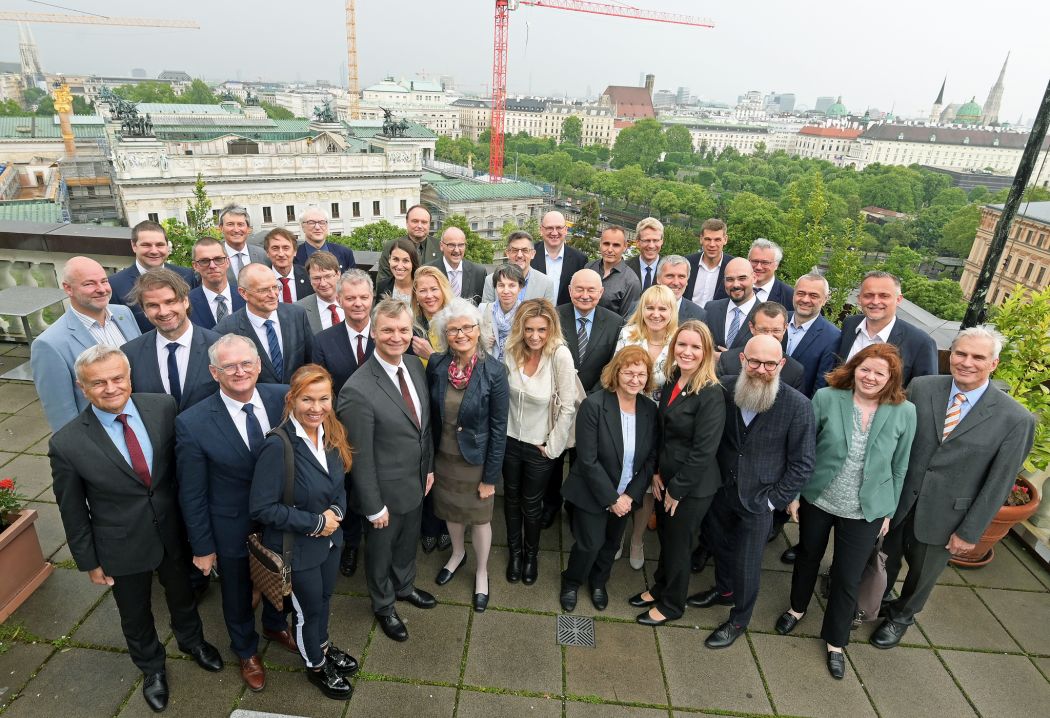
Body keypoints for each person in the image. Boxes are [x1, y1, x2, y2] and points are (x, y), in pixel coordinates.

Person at [51, 345, 222, 713]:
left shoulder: (162, 407)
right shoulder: (67, 443)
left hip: (173, 532)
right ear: (83, 388)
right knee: (135, 612)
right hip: (120, 544)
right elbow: (72, 510)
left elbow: (181, 470)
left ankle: (192, 642)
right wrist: (89, 561)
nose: (111, 388)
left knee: (183, 594)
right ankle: (152, 668)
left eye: (118, 378)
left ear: (130, 377)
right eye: (98, 383)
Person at [871, 328, 1036, 650]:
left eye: (978, 357)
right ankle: (874, 602)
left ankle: (901, 618)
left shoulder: (1015, 419)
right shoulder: (922, 387)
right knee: (883, 558)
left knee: (921, 576)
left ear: (994, 364)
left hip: (948, 516)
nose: (967, 362)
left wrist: (970, 532)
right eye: (961, 353)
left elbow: (998, 483)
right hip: (898, 501)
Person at [777, 344, 916, 680]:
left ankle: (836, 640)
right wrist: (794, 493)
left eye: (879, 373)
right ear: (854, 369)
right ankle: (797, 609)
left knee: (847, 574)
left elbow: (901, 467)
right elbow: (803, 449)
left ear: (891, 379)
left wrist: (888, 512)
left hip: (865, 509)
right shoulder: (826, 398)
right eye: (865, 369)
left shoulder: (904, 412)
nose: (870, 377)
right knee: (808, 556)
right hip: (819, 497)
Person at [176, 334, 296, 692]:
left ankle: (275, 625)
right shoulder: (192, 423)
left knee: (283, 577)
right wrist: (202, 546)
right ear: (215, 372)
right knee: (238, 591)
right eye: (229, 366)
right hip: (231, 524)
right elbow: (192, 492)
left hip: (280, 516)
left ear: (258, 365)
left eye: (246, 363)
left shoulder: (284, 398)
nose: (239, 371)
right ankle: (246, 650)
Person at [690, 335, 815, 649]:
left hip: (760, 501)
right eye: (755, 361)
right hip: (721, 491)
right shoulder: (723, 387)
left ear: (781, 365)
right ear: (743, 360)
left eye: (770, 364)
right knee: (718, 546)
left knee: (747, 564)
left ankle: (739, 620)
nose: (761, 369)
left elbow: (802, 463)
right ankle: (723, 590)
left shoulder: (798, 405)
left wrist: (773, 501)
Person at [250, 365, 358, 700]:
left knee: (324, 599)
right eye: (307, 399)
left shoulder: (331, 432)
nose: (316, 407)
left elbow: (339, 485)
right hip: (296, 549)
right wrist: (315, 523)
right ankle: (315, 664)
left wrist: (336, 514)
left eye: (323, 398)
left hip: (329, 541)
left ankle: (321, 644)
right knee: (308, 609)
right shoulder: (278, 445)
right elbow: (262, 508)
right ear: (291, 399)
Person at [338, 299, 438, 643]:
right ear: (373, 332)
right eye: (388, 330)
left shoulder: (414, 365)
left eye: (404, 330)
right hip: (382, 494)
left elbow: (423, 427)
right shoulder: (357, 389)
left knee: (407, 543)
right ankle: (383, 605)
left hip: (415, 482)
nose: (397, 337)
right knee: (380, 552)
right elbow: (358, 456)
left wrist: (428, 469)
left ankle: (405, 586)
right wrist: (373, 505)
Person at [630, 320, 725, 626]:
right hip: (666, 476)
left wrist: (676, 489)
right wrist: (657, 473)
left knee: (679, 545)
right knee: (668, 540)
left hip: (692, 486)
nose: (687, 351)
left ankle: (672, 604)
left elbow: (703, 451)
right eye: (681, 345)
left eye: (695, 347)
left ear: (706, 352)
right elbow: (664, 430)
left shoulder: (711, 393)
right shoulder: (673, 378)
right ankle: (659, 587)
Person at [426, 299, 510, 612]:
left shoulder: (495, 371)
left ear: (478, 330)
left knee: (480, 518)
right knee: (451, 511)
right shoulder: (436, 365)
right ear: (445, 334)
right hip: (444, 457)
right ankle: (457, 554)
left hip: (476, 460)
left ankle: (482, 572)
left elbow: (499, 429)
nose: (460, 334)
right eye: (453, 330)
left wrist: (491, 477)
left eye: (467, 327)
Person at [561, 345, 659, 613]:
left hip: (627, 494)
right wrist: (612, 499)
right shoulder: (594, 405)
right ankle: (571, 581)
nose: (635, 379)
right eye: (629, 373)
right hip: (594, 491)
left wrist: (629, 497)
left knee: (611, 544)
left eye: (641, 374)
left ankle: (598, 582)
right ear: (616, 373)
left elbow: (651, 458)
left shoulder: (650, 410)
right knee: (589, 543)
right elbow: (587, 460)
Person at [502, 298, 577, 585]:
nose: (535, 336)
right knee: (510, 499)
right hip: (510, 440)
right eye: (529, 329)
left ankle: (531, 556)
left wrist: (553, 449)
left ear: (551, 329)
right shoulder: (512, 350)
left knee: (532, 504)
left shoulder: (560, 355)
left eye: (542, 330)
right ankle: (515, 553)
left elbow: (568, 406)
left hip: (539, 446)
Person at [311, 269, 376, 578]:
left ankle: (378, 538)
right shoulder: (324, 340)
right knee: (346, 488)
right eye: (350, 298)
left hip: (383, 432)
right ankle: (350, 542)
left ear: (373, 298)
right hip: (341, 433)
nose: (358, 304)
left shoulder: (387, 333)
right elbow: (320, 390)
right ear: (338, 300)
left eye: (364, 297)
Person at [547, 268, 622, 527]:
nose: (585, 295)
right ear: (570, 290)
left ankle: (576, 507)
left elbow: (613, 366)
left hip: (594, 404)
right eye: (579, 289)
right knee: (554, 459)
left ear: (601, 293)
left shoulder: (615, 322)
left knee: (584, 460)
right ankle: (551, 504)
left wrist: (592, 399)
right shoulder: (554, 316)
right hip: (558, 402)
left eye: (591, 290)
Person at [32, 256, 141, 432]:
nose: (101, 289)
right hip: (101, 435)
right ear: (68, 288)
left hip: (140, 420)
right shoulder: (49, 344)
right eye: (89, 284)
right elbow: (60, 413)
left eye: (104, 281)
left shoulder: (124, 314)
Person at [615, 284, 678, 570]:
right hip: (626, 413)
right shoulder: (629, 334)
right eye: (650, 307)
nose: (655, 313)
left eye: (662, 308)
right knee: (621, 474)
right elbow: (617, 372)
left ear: (671, 311)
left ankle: (637, 539)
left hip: (660, 422)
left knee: (649, 484)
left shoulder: (678, 341)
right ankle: (616, 536)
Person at [121, 268, 220, 412]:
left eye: (170, 302)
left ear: (185, 301)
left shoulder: (219, 345)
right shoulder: (130, 354)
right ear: (144, 311)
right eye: (153, 305)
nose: (163, 312)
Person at [216, 263, 314, 384]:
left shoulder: (297, 315)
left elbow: (311, 362)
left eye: (275, 287)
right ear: (243, 293)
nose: (273, 295)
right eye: (263, 290)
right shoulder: (226, 330)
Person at [837, 271, 938, 386]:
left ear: (899, 299)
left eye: (884, 296)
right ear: (859, 299)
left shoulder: (920, 342)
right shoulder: (850, 324)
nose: (875, 301)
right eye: (868, 295)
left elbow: (925, 390)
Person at [108, 220, 196, 332]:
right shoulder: (115, 285)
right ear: (134, 246)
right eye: (146, 245)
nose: (154, 251)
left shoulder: (186, 275)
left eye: (160, 245)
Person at [715, 302, 806, 393]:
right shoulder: (727, 361)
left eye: (776, 330)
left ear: (785, 328)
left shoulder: (794, 371)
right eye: (763, 330)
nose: (769, 336)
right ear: (751, 328)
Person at [786, 273, 841, 399]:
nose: (805, 299)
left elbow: (820, 387)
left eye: (813, 295)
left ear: (825, 299)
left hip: (796, 409)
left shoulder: (832, 337)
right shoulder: (778, 319)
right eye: (801, 293)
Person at [482, 231, 557, 304]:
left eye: (525, 250)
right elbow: (487, 314)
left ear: (533, 254)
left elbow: (548, 315)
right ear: (507, 253)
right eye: (515, 250)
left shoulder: (546, 284)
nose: (520, 255)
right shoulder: (490, 281)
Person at [188, 237, 245, 330]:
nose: (212, 266)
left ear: (227, 262)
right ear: (195, 266)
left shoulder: (246, 297)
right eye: (204, 261)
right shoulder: (186, 303)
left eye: (218, 259)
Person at [704, 257, 758, 354]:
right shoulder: (711, 309)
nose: (736, 285)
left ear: (754, 278)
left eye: (742, 278)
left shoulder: (765, 314)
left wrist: (729, 359)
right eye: (730, 279)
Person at [585, 225, 642, 319]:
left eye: (616, 245)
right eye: (606, 244)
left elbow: (627, 320)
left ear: (625, 247)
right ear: (600, 244)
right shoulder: (589, 267)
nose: (610, 250)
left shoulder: (631, 281)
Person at [376, 204, 441, 284]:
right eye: (415, 221)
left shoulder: (440, 246)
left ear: (429, 224)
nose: (419, 226)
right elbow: (383, 281)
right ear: (407, 223)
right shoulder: (391, 246)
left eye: (424, 222)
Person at [533, 210, 587, 306]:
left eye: (558, 228)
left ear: (565, 230)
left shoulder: (579, 259)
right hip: (533, 316)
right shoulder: (529, 254)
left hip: (565, 318)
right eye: (549, 228)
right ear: (541, 230)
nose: (554, 233)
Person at [427, 226, 486, 305]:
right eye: (451, 245)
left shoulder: (479, 272)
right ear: (441, 246)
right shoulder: (428, 271)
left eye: (461, 245)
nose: (457, 250)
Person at [478, 263, 525, 362]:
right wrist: (481, 341)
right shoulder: (483, 310)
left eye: (512, 285)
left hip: (516, 368)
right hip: (488, 368)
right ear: (495, 287)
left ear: (520, 287)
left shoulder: (526, 313)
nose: (506, 291)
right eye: (501, 285)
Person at [410, 265, 454, 366]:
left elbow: (461, 370)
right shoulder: (410, 328)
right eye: (423, 290)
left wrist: (431, 356)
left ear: (443, 291)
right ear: (415, 295)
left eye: (434, 289)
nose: (429, 296)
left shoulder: (457, 324)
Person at [684, 218, 734, 307]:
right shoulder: (686, 263)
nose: (712, 244)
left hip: (717, 320)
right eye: (708, 239)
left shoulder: (733, 266)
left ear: (725, 240)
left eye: (717, 240)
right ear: (701, 239)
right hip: (688, 319)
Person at [294, 206, 356, 272]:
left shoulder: (345, 254)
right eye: (311, 222)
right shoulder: (293, 257)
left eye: (322, 222)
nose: (317, 227)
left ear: (327, 225)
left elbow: (353, 281)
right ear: (302, 226)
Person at [296, 251, 344, 334]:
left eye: (328, 276)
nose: (323, 283)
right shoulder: (298, 310)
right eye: (316, 278)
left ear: (338, 274)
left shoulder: (356, 302)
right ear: (310, 279)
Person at [218, 204, 267, 282]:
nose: (236, 230)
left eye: (240, 224)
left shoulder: (263, 255)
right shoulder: (212, 257)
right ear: (221, 228)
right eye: (230, 224)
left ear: (248, 228)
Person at [654, 255, 707, 323]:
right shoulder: (639, 308)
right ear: (658, 279)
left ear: (687, 280)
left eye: (681, 277)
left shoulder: (699, 315)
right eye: (670, 276)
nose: (676, 283)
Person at [265, 227, 313, 304]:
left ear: (295, 252)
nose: (281, 254)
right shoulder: (261, 280)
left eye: (286, 248)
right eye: (275, 248)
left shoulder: (308, 275)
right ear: (267, 252)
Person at [748, 238, 794, 309]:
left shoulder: (789, 296)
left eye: (765, 262)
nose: (758, 267)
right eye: (755, 261)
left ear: (776, 265)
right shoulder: (733, 288)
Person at [375, 237, 420, 302]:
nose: (399, 266)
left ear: (413, 262)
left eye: (405, 260)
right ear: (389, 259)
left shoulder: (421, 288)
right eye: (395, 259)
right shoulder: (382, 287)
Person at [626, 217, 664, 291]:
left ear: (662, 241)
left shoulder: (669, 270)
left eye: (656, 240)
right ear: (637, 242)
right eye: (646, 240)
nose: (651, 246)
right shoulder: (625, 268)